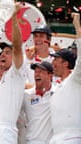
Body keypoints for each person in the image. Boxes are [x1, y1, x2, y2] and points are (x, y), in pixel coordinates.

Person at [0, 3, 26, 144]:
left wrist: (14, 18)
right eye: (2, 52)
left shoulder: (17, 72)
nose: (3, 54)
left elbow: (17, 44)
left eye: (8, 52)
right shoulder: (0, 81)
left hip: (4, 133)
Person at [50, 12, 81, 144]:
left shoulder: (76, 79)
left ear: (66, 63)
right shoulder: (57, 85)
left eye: (56, 59)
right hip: (56, 138)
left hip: (72, 137)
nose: (53, 63)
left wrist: (77, 27)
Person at [23, 61, 54, 144]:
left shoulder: (58, 93)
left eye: (40, 72)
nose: (37, 74)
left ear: (50, 75)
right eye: (35, 72)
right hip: (32, 141)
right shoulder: (26, 95)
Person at [25, 23, 54, 87]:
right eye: (35, 36)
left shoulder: (55, 60)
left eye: (41, 36)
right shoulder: (26, 59)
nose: (37, 39)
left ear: (49, 39)